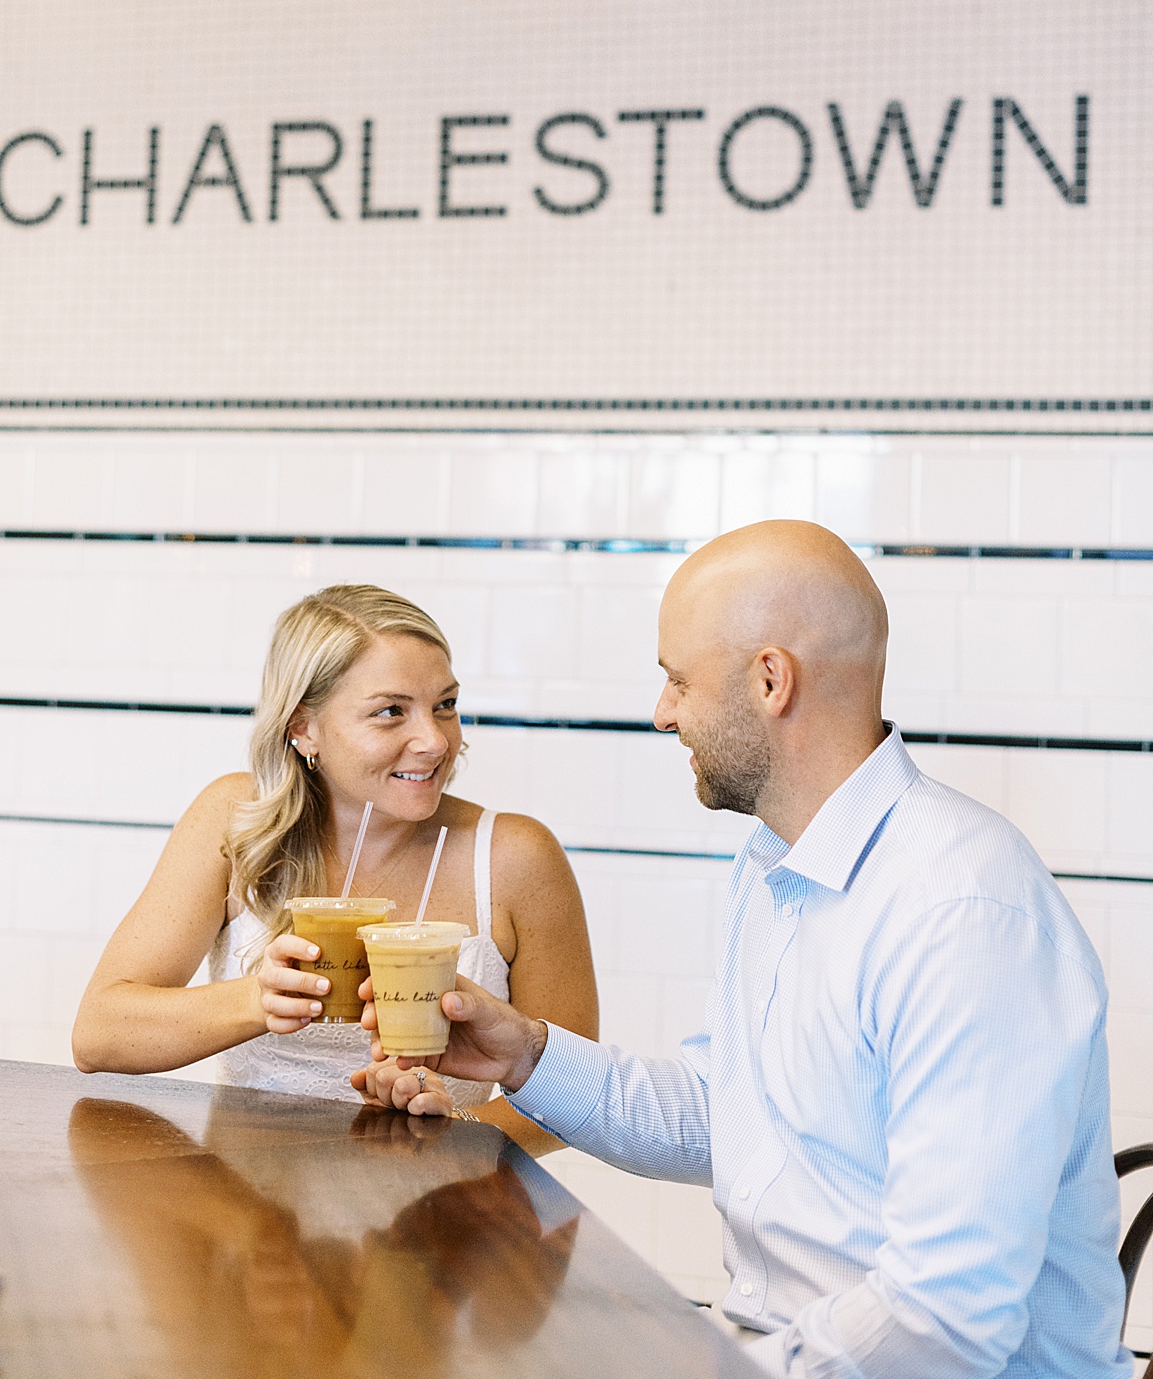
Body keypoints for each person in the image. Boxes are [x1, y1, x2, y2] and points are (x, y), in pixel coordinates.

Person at [355, 522, 1133, 1377]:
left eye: (678, 680)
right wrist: (526, 1057)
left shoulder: (964, 913)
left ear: (771, 680)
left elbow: (946, 1318)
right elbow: (733, 1115)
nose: (662, 713)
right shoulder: (773, 863)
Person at [73, 582, 598, 1149]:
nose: (434, 740)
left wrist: (454, 1133)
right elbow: (99, 1035)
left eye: (444, 705)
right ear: (303, 728)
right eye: (390, 712)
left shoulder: (516, 857)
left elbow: (578, 1094)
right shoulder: (235, 821)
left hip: (437, 1225)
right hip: (248, 1221)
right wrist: (257, 999)